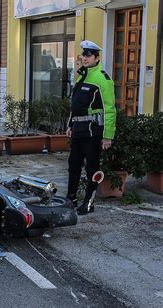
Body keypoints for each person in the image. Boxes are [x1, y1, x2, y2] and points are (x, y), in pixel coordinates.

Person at [66, 40, 116, 215]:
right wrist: (70, 125)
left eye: (88, 55)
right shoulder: (82, 76)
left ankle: (89, 202)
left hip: (93, 131)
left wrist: (108, 136)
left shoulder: (103, 79)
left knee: (92, 168)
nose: (84, 58)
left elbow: (109, 109)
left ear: (96, 58)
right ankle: (70, 198)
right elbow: (75, 104)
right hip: (78, 130)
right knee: (73, 165)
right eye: (83, 55)